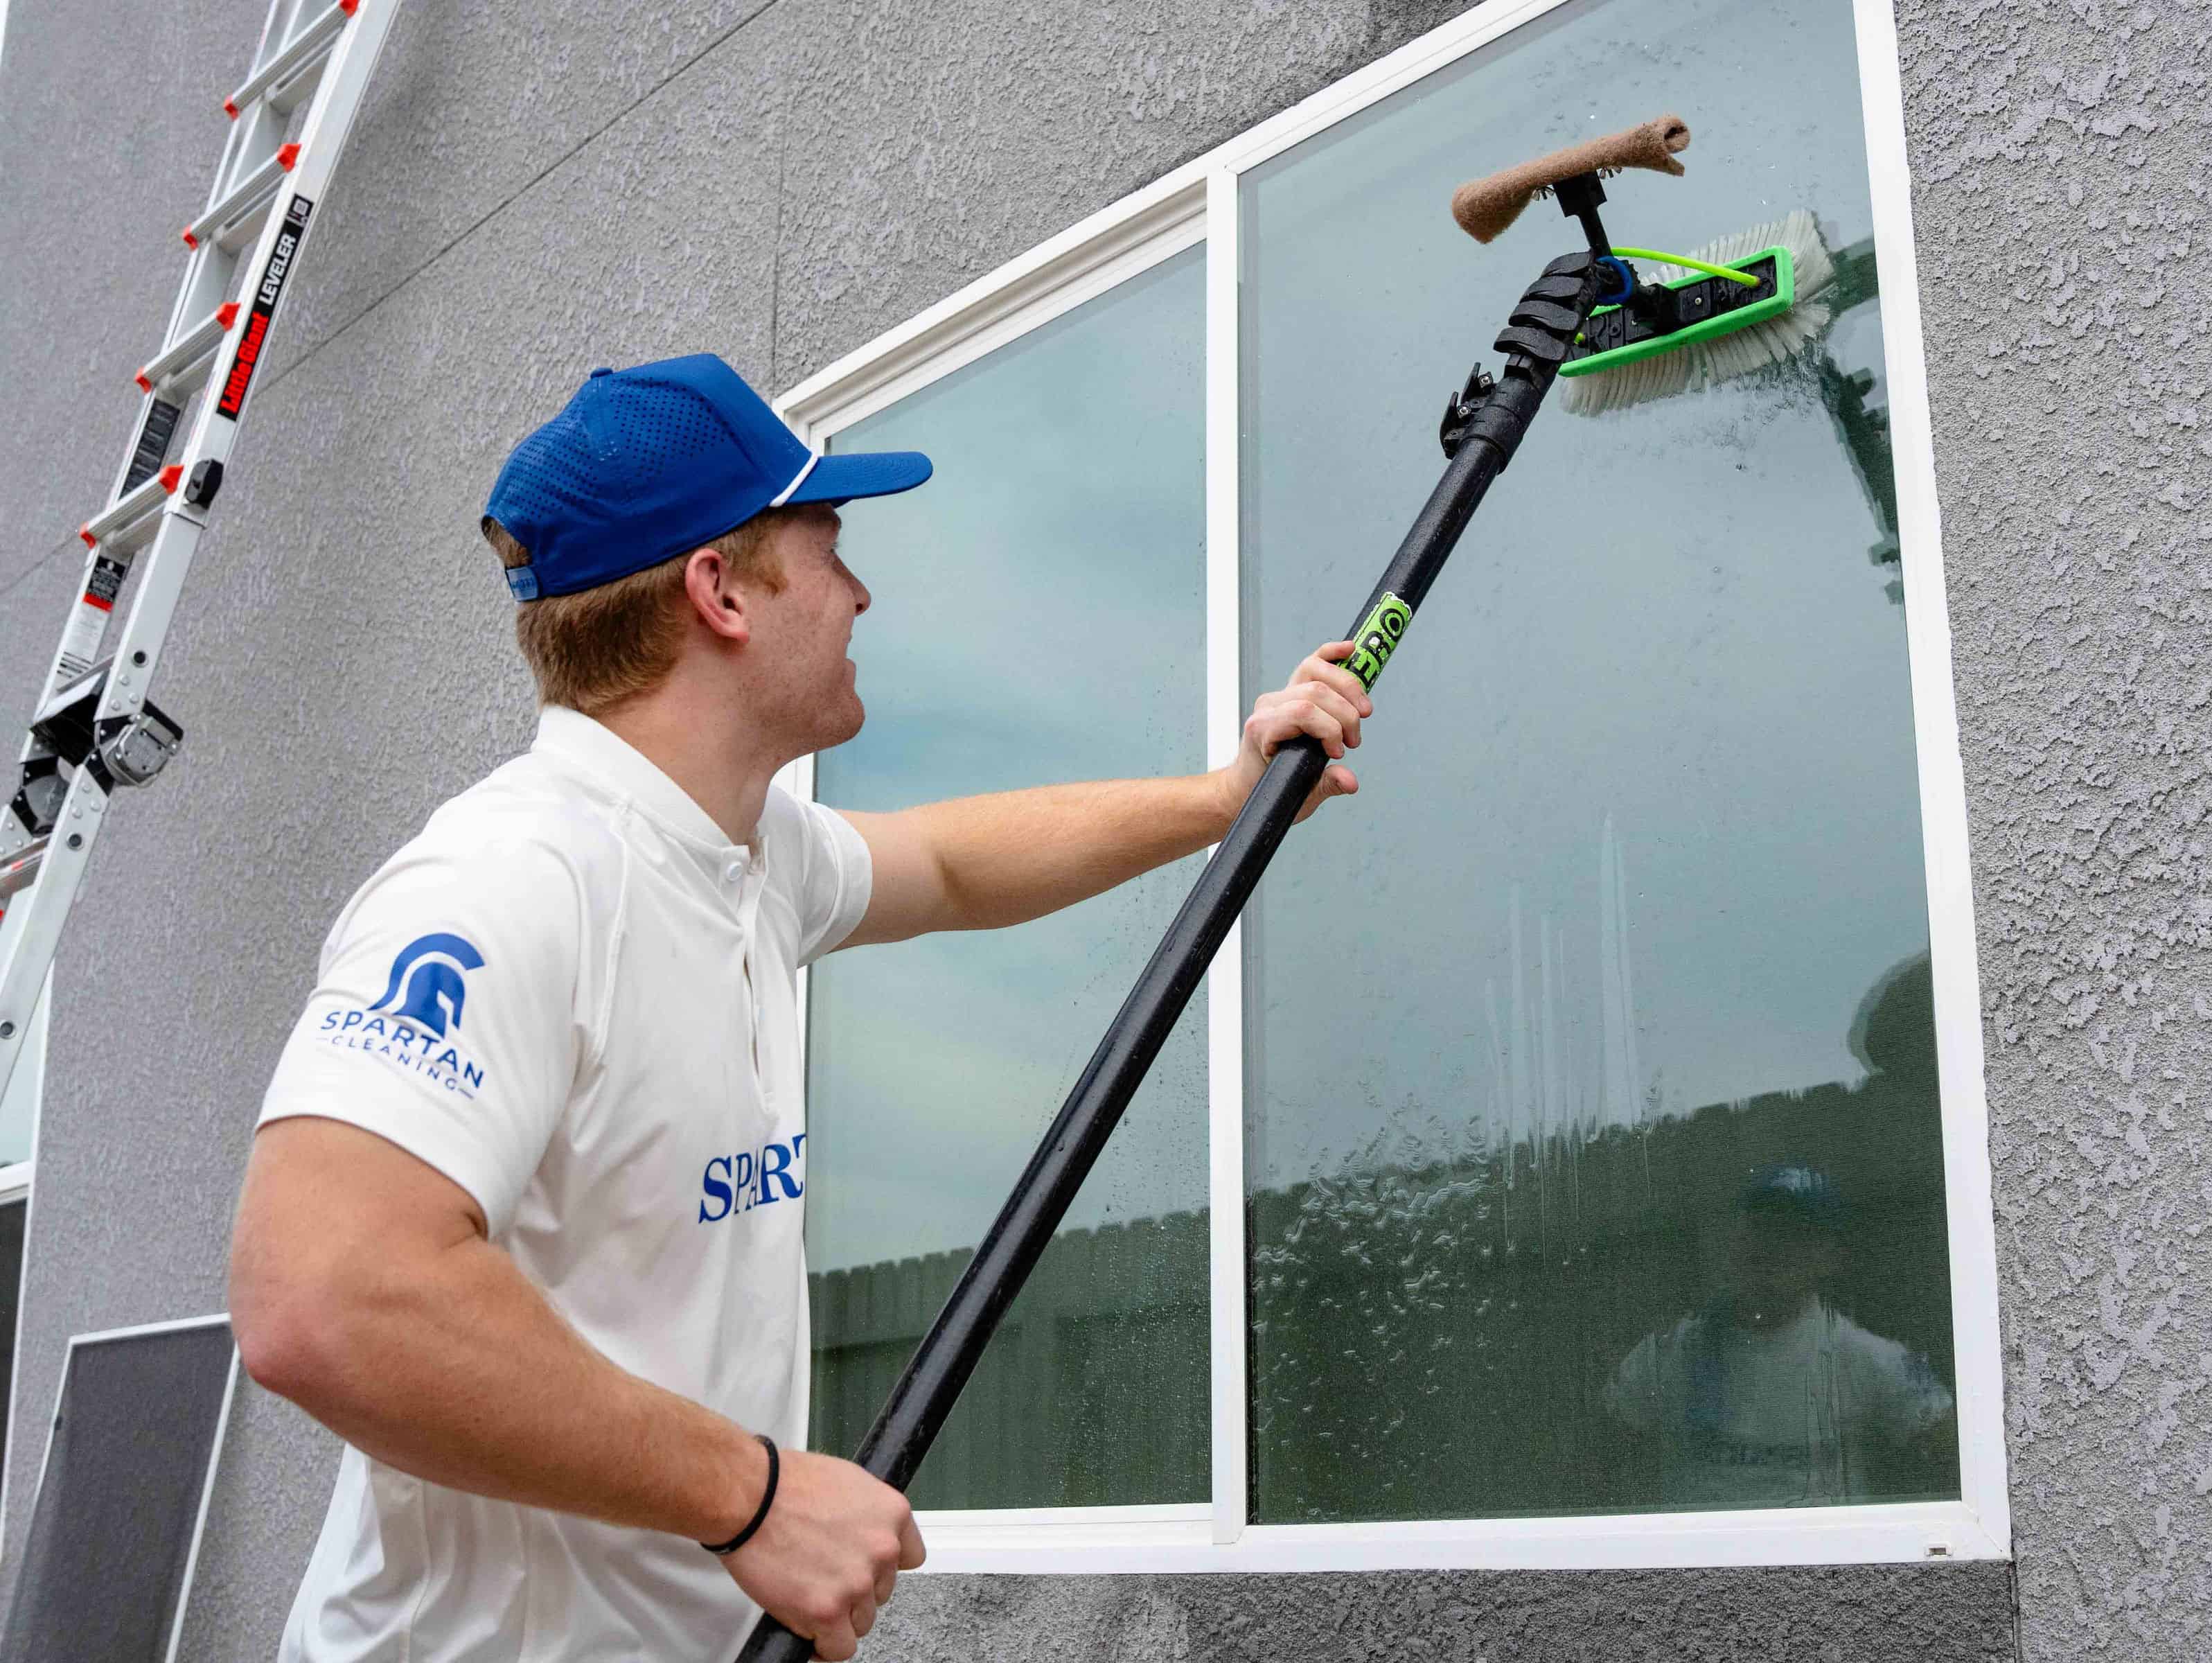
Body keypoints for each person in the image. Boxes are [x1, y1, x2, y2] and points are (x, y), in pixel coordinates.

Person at [226, 353, 1374, 1663]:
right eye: (826, 549)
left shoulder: (744, 857)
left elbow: (947, 865)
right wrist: (753, 1494)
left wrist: (1222, 801)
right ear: (720, 590)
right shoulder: (513, 880)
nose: (861, 591)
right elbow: (322, 1297)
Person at [1602, 1163, 1954, 1508]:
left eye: (1795, 1235)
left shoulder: (1868, 1358)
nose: (1772, 1247)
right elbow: (1605, 1458)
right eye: (1760, 1230)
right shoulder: (1672, 1351)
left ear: (1831, 1257)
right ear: (1735, 1243)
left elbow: (1954, 1460)